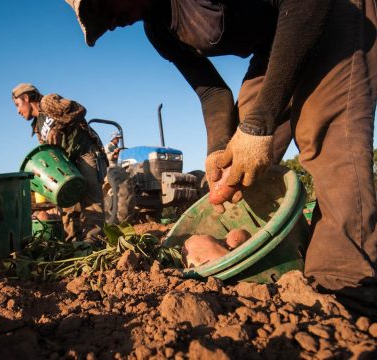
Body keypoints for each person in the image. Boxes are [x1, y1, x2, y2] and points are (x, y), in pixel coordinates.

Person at [66, 0, 377, 317]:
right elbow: (212, 93)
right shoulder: (159, 31)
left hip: (332, 11)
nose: (110, 25)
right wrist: (217, 147)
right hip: (275, 42)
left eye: (103, 8)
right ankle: (272, 259)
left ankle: (346, 290)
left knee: (324, 134)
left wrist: (258, 126)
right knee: (238, 165)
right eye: (99, 22)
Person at [12, 83, 106, 245]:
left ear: (26, 98)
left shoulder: (47, 102)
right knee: (67, 204)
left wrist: (58, 127)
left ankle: (94, 241)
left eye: (18, 105)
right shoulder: (37, 127)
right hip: (68, 165)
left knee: (91, 201)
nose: (18, 111)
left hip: (85, 153)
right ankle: (73, 244)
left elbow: (79, 109)